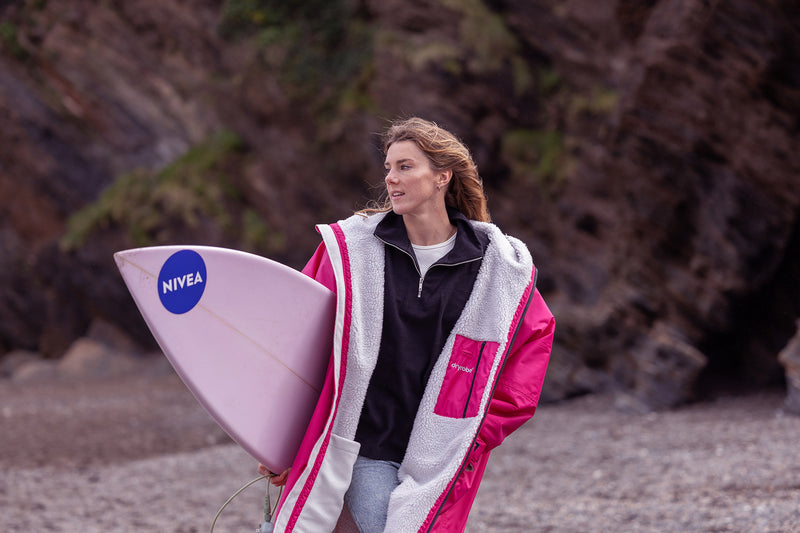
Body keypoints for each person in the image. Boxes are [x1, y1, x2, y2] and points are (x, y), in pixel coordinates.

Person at [259, 117, 554, 533]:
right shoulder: (350, 252)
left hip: (435, 455)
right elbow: (292, 341)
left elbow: (527, 361)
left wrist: (472, 435)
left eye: (405, 167)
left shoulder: (496, 269)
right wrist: (279, 440)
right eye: (388, 168)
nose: (391, 179)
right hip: (356, 444)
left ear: (441, 177)